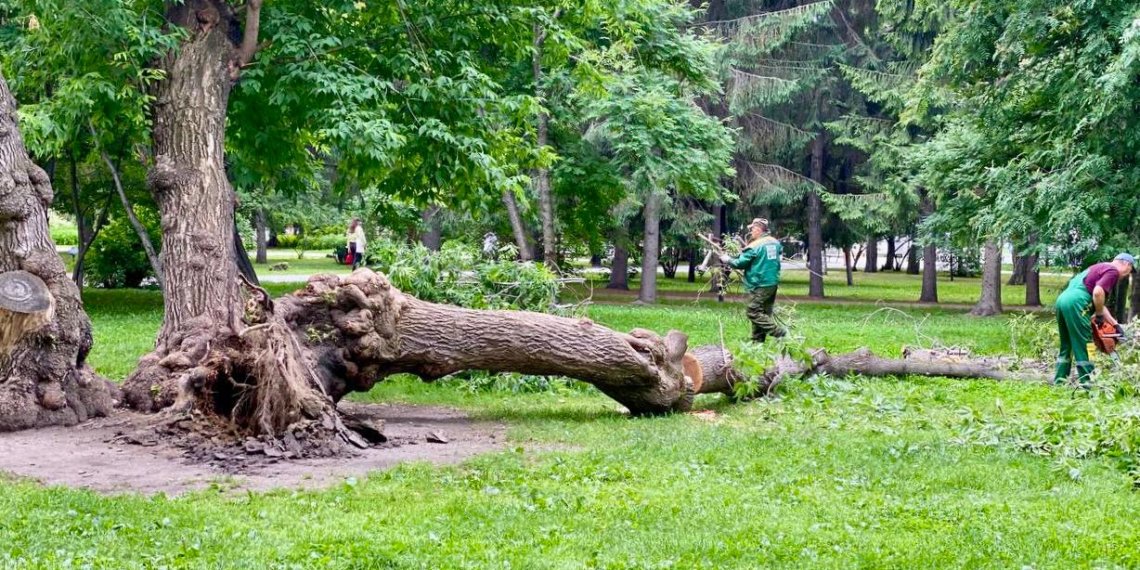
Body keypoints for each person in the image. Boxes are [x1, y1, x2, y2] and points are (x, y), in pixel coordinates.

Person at [1054, 252, 1135, 387]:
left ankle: (1059, 382)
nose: (1128, 274)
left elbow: (1098, 301)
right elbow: (1098, 292)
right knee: (1087, 344)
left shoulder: (1096, 268)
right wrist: (1098, 315)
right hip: (1077, 303)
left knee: (1066, 345)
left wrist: (1115, 325)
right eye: (1130, 270)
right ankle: (1089, 384)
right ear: (1126, 264)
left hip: (1062, 301)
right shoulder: (1113, 271)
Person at [721, 218, 786, 343]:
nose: (751, 231)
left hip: (759, 284)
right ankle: (757, 343)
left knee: (753, 312)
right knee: (763, 314)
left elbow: (740, 263)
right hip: (772, 283)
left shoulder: (754, 246)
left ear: (759, 228)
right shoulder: (775, 242)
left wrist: (727, 259)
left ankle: (779, 332)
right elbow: (765, 256)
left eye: (752, 228)